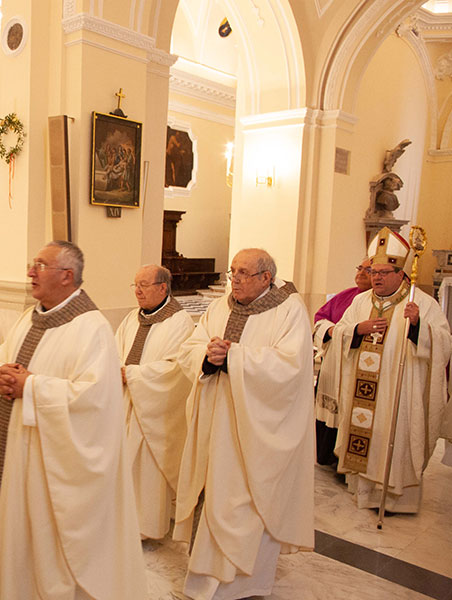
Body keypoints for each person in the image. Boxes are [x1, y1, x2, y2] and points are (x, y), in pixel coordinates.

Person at [0, 241, 147, 600]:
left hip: (49, 466)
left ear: (66, 276)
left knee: (45, 547)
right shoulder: (29, 317)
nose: (29, 272)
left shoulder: (91, 328)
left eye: (40, 265)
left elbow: (95, 401)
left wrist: (32, 387)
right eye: (32, 263)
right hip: (13, 456)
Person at [175, 248, 314, 600]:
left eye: (243, 273)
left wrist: (234, 356)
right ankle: (205, 578)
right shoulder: (221, 306)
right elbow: (191, 343)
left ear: (266, 277)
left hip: (256, 430)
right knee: (212, 491)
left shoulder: (289, 309)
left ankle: (243, 583)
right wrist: (206, 356)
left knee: (245, 497)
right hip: (214, 418)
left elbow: (291, 366)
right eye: (232, 272)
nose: (234, 279)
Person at [333, 227, 452, 513]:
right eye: (374, 271)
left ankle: (397, 498)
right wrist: (356, 330)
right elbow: (340, 332)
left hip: (398, 394)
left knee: (393, 439)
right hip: (362, 392)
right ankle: (363, 493)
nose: (377, 277)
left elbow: (444, 344)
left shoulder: (421, 303)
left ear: (401, 274)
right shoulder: (360, 302)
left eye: (385, 273)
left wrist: (419, 327)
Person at [114, 264, 193, 540]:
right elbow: (115, 351)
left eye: (143, 285)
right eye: (135, 285)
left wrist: (133, 374)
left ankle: (145, 528)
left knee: (146, 468)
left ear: (162, 288)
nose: (137, 291)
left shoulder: (180, 322)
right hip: (125, 402)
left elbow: (176, 369)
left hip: (154, 407)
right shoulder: (131, 319)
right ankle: (120, 521)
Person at [312, 257, 372, 467]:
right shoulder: (346, 296)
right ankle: (327, 456)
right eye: (360, 268)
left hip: (356, 369)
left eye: (369, 270)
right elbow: (320, 317)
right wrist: (330, 330)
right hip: (334, 364)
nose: (361, 273)